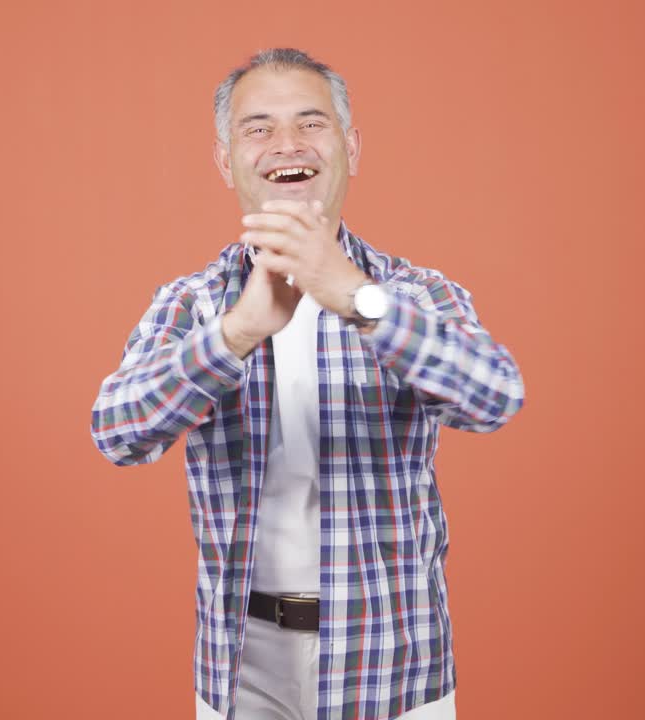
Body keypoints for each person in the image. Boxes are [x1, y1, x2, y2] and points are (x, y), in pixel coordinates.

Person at [90, 48, 525, 720]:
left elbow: (494, 397)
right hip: (242, 666)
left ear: (349, 146)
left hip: (392, 660)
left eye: (310, 123)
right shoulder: (196, 304)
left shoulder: (413, 293)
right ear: (225, 159)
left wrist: (355, 296)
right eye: (258, 128)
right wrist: (236, 332)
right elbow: (118, 433)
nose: (286, 145)